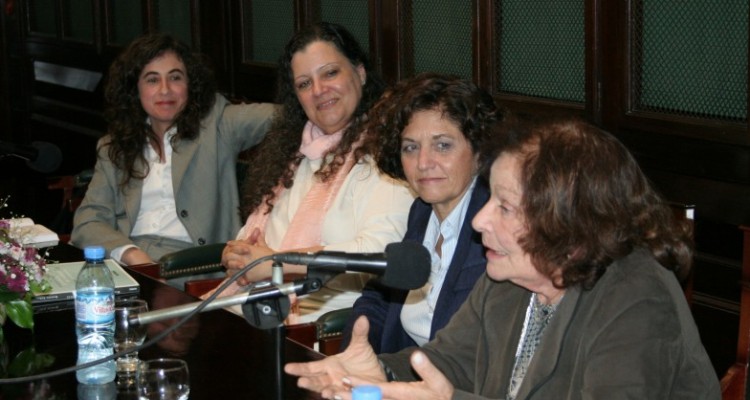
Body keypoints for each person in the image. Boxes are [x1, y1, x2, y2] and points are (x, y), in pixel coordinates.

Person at [285, 118, 721, 399]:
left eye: (505, 207)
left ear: (568, 225)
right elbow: (447, 365)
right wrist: (379, 370)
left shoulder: (637, 298)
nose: (479, 220)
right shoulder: (508, 281)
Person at [219, 22, 414, 323]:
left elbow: (378, 252)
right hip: (254, 309)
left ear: (360, 74)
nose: (319, 90)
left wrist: (277, 265)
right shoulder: (299, 150)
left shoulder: (386, 155)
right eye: (304, 84)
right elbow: (252, 235)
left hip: (319, 329)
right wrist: (238, 253)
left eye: (330, 73)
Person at [71, 33, 275, 265]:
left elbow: (281, 117)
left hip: (191, 267)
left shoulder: (218, 124)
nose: (165, 90)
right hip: (129, 262)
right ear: (135, 89)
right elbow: (88, 219)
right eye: (152, 79)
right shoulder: (115, 147)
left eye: (175, 77)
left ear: (190, 84)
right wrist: (130, 253)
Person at [341, 72, 500, 353]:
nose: (423, 163)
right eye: (411, 148)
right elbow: (379, 298)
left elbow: (477, 349)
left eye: (443, 145)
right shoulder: (422, 211)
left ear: (479, 151)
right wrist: (353, 353)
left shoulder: (495, 225)